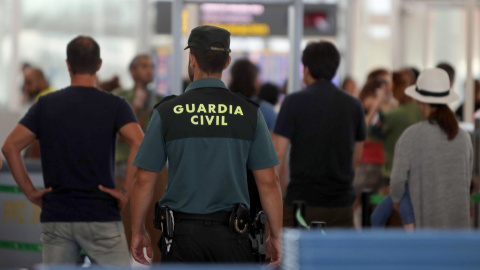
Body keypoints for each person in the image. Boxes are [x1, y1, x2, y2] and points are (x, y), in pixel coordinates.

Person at [130, 25, 283, 265]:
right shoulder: (249, 113)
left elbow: (143, 180)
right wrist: (276, 234)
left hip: (181, 238)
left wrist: (137, 231)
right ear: (227, 61)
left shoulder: (168, 112)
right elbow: (268, 182)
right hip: (234, 236)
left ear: (192, 59)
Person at [1, 36, 144, 265]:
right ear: (99, 64)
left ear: (68, 64)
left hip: (57, 215)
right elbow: (139, 141)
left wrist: (30, 191)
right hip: (102, 214)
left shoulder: (45, 104)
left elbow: (10, 147)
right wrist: (125, 190)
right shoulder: (116, 105)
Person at [274, 41, 366, 228]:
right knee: (338, 256)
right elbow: (356, 157)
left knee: (296, 256)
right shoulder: (354, 105)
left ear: (306, 69)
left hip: (301, 205)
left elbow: (278, 155)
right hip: (341, 206)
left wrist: (276, 199)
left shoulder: (293, 102)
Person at [388, 68, 472, 228]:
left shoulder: (410, 136)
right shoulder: (464, 137)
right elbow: (466, 179)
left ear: (419, 100)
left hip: (426, 231)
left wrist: (397, 202)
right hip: (460, 233)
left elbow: (397, 183)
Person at [229, 59, 277, 132]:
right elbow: (274, 141)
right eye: (257, 78)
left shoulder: (222, 106)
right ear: (253, 81)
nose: (259, 83)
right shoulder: (266, 111)